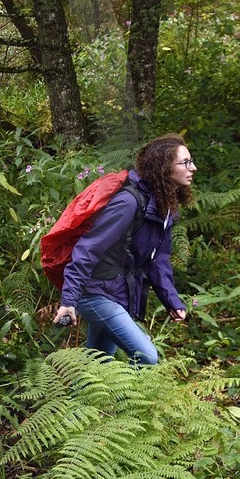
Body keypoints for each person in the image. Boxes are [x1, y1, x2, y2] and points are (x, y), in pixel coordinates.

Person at [53, 134, 196, 365]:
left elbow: (158, 259)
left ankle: (77, 402)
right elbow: (87, 248)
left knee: (99, 367)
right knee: (147, 357)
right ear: (163, 167)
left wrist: (172, 301)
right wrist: (69, 300)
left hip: (117, 292)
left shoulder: (163, 205)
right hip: (94, 292)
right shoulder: (129, 203)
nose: (193, 168)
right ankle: (130, 401)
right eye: (186, 162)